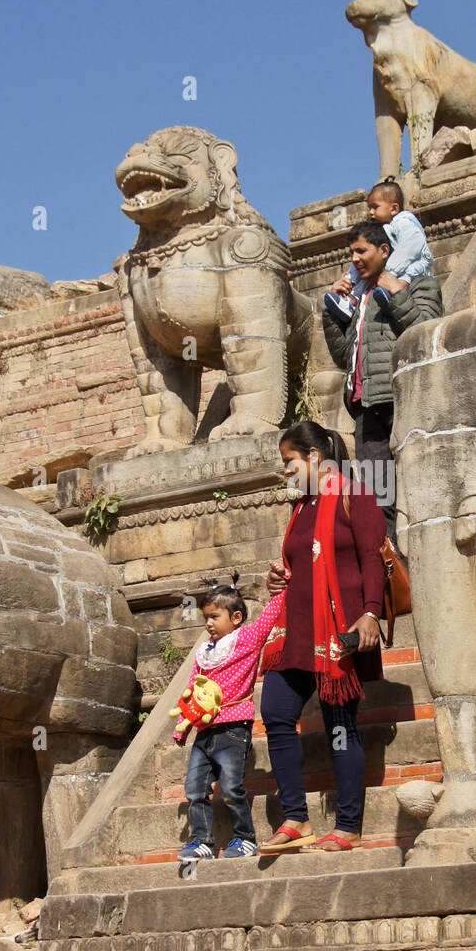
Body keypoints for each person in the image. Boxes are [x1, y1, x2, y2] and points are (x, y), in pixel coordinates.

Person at [257, 421, 386, 854]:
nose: (287, 472)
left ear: (314, 457)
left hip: (338, 631)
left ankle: (348, 825)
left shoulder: (355, 496)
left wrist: (370, 612)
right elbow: (302, 565)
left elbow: (372, 558)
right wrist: (281, 579)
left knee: (340, 727)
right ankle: (295, 818)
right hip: (295, 630)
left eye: (290, 463)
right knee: (275, 711)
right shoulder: (301, 508)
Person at [321, 217, 443, 539]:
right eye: (351, 253)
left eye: (361, 251)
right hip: (367, 409)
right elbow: (344, 356)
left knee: (419, 491)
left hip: (404, 402)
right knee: (378, 498)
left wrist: (398, 294)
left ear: (384, 250)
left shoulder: (420, 284)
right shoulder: (360, 298)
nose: (354, 259)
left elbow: (427, 334)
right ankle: (393, 576)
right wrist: (332, 312)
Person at [176, 583, 285, 860]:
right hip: (204, 731)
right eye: (205, 618)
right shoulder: (204, 653)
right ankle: (202, 841)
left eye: (215, 617)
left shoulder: (247, 639)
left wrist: (284, 588)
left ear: (235, 617)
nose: (209, 623)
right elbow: (194, 691)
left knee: (230, 788)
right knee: (194, 788)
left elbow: (270, 616)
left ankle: (245, 838)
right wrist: (184, 728)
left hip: (234, 729)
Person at [324, 177, 434, 324]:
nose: (370, 212)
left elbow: (409, 249)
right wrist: (349, 280)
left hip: (412, 267)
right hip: (391, 275)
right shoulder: (384, 230)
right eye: (369, 208)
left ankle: (393, 298)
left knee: (404, 278)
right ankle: (350, 301)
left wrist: (390, 273)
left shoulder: (404, 223)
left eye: (375, 207)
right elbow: (342, 345)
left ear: (394, 208)